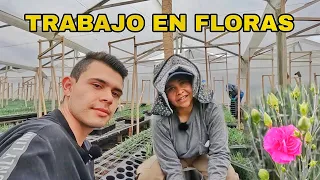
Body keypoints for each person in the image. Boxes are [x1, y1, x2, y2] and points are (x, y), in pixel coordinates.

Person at [0, 52, 128, 180]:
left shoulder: (85, 146)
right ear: (68, 87)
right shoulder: (40, 141)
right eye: (97, 85)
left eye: (115, 93)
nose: (109, 98)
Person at [136, 54, 239, 180]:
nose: (179, 91)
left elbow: (219, 152)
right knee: (147, 175)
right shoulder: (160, 119)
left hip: (200, 155)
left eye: (183, 83)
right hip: (173, 158)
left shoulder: (210, 108)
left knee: (229, 176)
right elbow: (170, 164)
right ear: (165, 94)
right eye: (171, 88)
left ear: (193, 83)